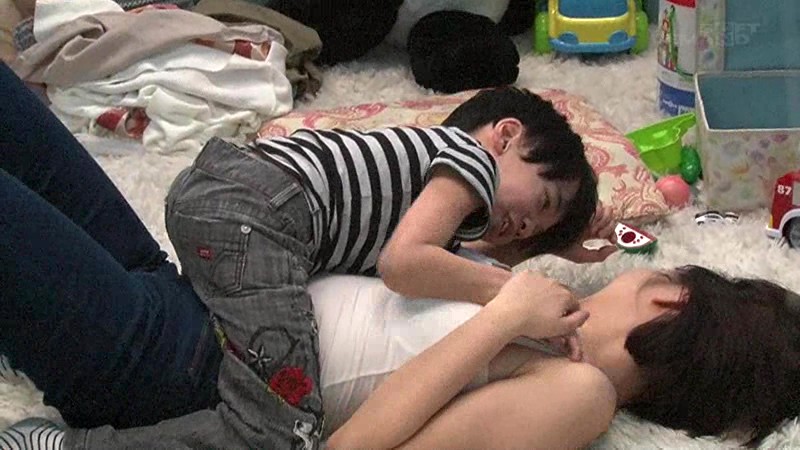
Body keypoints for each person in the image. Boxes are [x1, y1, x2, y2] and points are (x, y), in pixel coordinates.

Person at [0, 61, 609, 449]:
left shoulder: (418, 191)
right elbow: (406, 264)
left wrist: (560, 246)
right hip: (190, 332)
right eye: (541, 202)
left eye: (536, 230)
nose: (524, 227)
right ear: (504, 135)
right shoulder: (467, 167)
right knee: (278, 432)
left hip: (192, 256)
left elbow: (447, 254)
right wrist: (508, 300)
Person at [5, 254, 800, 449]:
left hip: (184, 362)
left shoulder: (579, 392)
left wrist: (501, 317)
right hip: (197, 294)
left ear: (673, 301)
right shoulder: (550, 314)